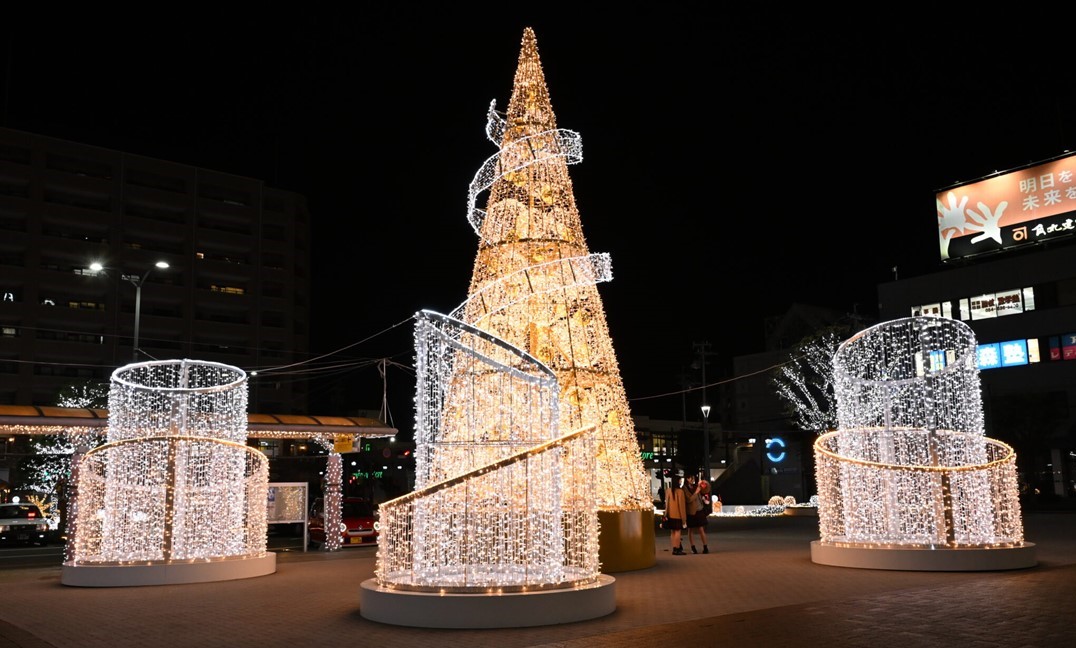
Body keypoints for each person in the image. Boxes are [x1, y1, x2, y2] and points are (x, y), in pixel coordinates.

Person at [685, 475, 710, 554]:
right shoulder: (685, 488)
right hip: (691, 511)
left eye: (693, 478)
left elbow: (706, 490)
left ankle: (705, 547)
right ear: (687, 479)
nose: (692, 480)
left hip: (699, 510)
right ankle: (693, 547)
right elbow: (689, 500)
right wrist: (696, 492)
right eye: (690, 478)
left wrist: (704, 484)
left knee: (701, 529)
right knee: (690, 530)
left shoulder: (696, 486)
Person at [663, 473, 687, 555]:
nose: (681, 482)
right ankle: (677, 548)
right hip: (678, 515)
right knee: (678, 532)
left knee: (672, 532)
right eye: (680, 480)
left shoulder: (668, 490)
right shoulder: (680, 492)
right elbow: (682, 506)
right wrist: (684, 519)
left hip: (670, 515)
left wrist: (666, 514)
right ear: (678, 482)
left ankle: (674, 548)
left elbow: (667, 504)